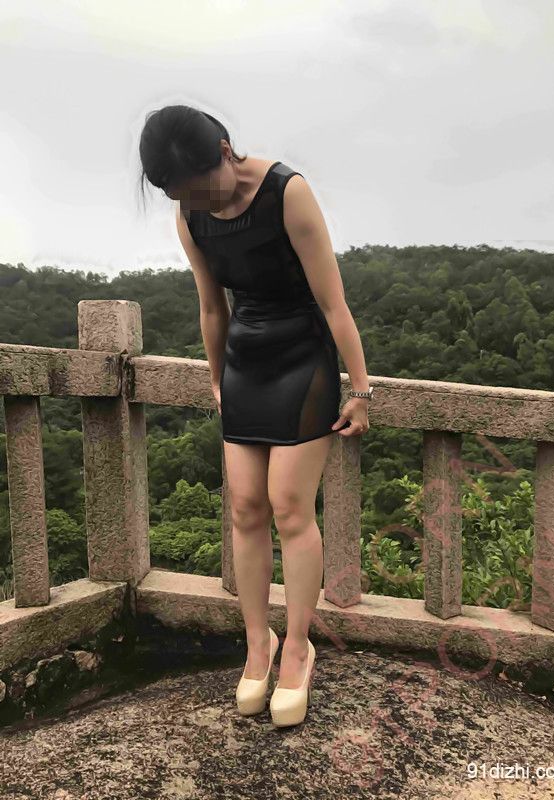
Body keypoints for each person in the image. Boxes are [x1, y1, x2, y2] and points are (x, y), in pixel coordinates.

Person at [138, 104, 373, 727]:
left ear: (224, 149)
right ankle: (256, 644)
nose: (196, 202)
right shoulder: (190, 213)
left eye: (199, 187)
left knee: (290, 507)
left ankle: (297, 648)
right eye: (180, 195)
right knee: (244, 506)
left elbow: (333, 300)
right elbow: (212, 307)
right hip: (245, 362)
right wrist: (217, 379)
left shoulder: (286, 192)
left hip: (303, 358)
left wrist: (360, 388)